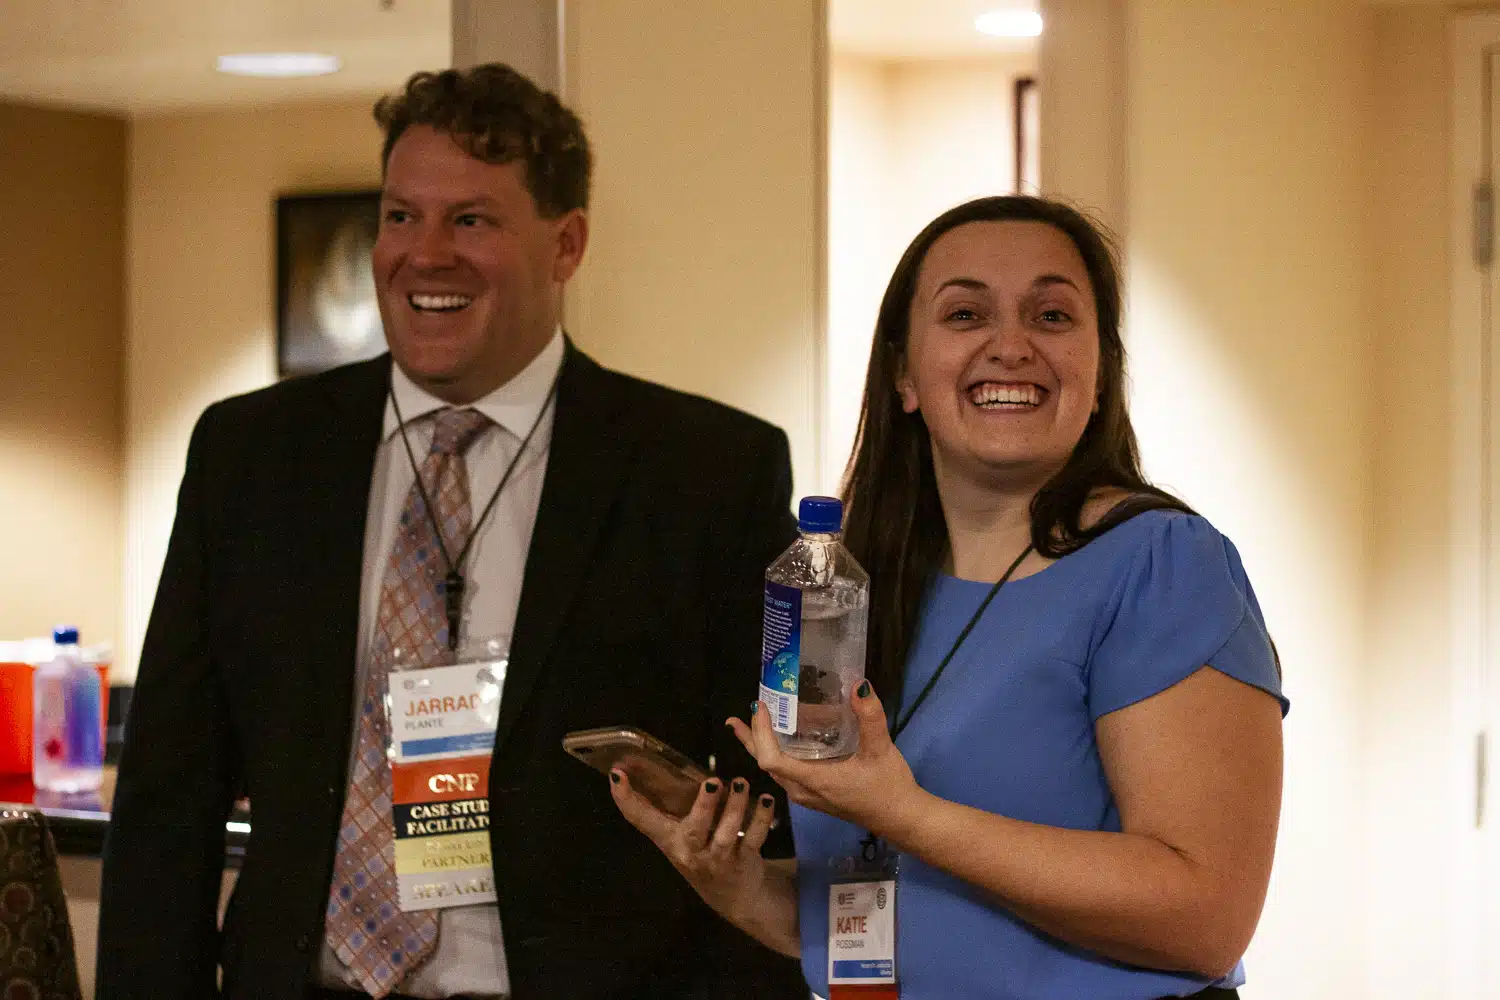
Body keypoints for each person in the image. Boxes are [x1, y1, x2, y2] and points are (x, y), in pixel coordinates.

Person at [97, 63, 808, 1000]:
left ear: (567, 245)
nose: (425, 253)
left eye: (472, 220)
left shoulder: (704, 472)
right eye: (400, 216)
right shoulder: (252, 455)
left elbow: (770, 798)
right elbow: (169, 795)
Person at [610, 195, 1288, 999]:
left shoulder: (1163, 564)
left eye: (1052, 315)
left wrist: (906, 813)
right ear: (903, 373)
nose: (1011, 346)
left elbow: (1207, 918)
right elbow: (866, 913)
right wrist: (733, 881)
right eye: (966, 314)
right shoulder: (852, 585)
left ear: (1101, 370)